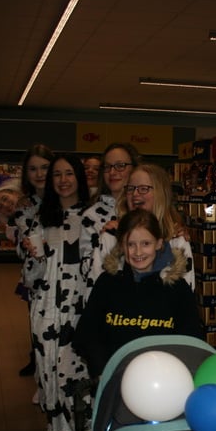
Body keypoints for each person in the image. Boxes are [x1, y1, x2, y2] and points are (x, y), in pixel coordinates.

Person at [20, 152, 91, 431]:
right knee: (51, 377)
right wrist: (33, 257)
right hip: (46, 312)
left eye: (69, 173)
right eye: (57, 175)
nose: (63, 180)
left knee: (79, 377)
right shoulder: (39, 219)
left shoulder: (93, 216)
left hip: (81, 312)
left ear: (79, 177)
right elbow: (30, 278)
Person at [76, 209, 204, 378]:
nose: (138, 252)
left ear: (159, 243)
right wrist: (102, 371)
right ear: (121, 245)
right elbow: (88, 334)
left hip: (164, 380)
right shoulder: (107, 284)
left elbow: (191, 340)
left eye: (146, 243)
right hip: (115, 379)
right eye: (130, 244)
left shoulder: (177, 289)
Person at [111, 163, 194, 289]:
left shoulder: (177, 241)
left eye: (143, 188)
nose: (135, 194)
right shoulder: (111, 236)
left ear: (161, 193)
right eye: (130, 188)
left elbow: (186, 294)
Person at [78, 143, 142, 300]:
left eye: (120, 166)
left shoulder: (147, 208)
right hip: (108, 301)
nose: (112, 172)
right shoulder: (91, 216)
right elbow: (85, 269)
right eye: (107, 167)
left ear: (134, 168)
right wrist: (107, 242)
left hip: (146, 300)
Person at [12, 144, 54, 377]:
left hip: (64, 276)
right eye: (33, 169)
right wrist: (25, 245)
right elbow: (22, 245)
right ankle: (37, 361)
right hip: (36, 276)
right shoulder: (24, 206)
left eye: (45, 167)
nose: (39, 174)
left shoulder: (65, 199)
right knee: (37, 323)